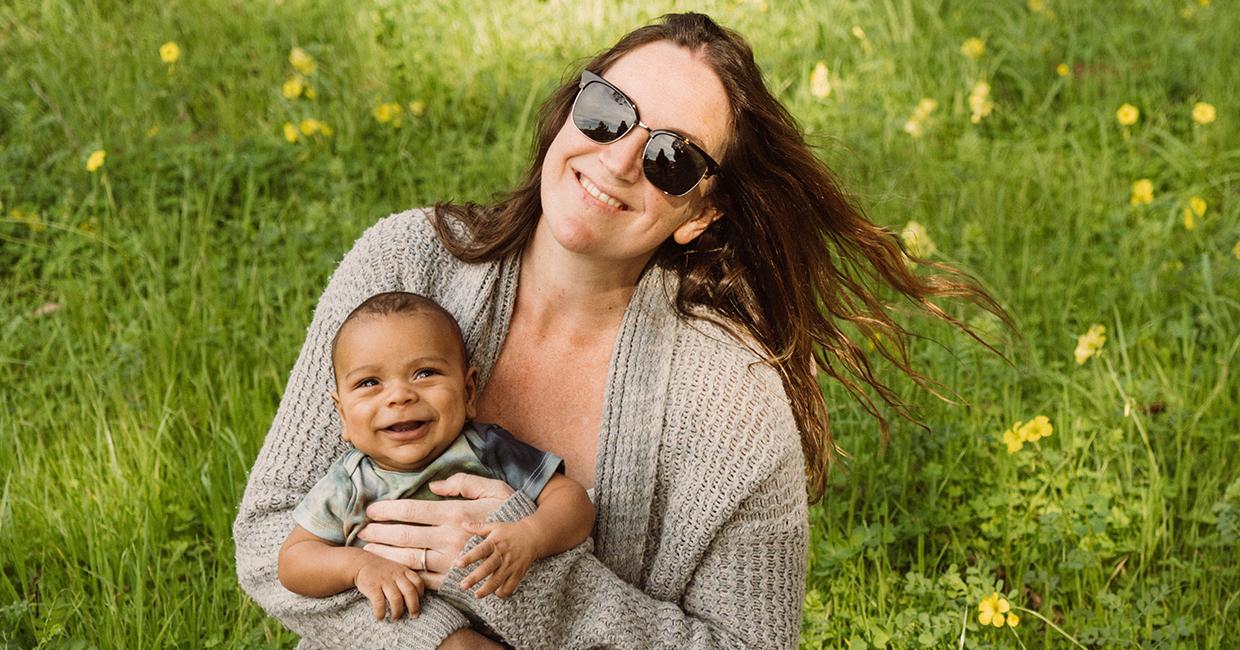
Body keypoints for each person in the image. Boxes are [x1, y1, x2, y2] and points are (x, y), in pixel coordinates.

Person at [234, 12, 1007, 649]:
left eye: (673, 157)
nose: (619, 159)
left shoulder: (730, 403)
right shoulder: (406, 263)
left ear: (701, 212)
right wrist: (444, 643)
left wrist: (534, 572)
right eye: (607, 111)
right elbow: (270, 537)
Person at [277, 291, 595, 623]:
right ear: (342, 414)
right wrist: (357, 566)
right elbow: (294, 560)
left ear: (468, 392)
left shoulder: (486, 448)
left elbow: (572, 501)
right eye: (370, 382)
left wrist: (531, 535)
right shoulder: (350, 482)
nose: (400, 396)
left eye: (425, 373)